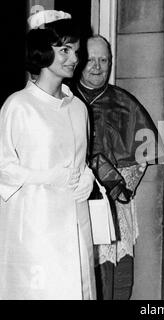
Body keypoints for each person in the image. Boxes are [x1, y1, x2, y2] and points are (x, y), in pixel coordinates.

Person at [0, 11, 96, 299]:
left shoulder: (78, 108)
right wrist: (46, 177)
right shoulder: (19, 106)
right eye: (64, 50)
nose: (74, 58)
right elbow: (3, 167)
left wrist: (88, 178)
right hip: (34, 229)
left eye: (76, 51)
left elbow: (82, 159)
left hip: (75, 225)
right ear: (43, 51)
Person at [72, 35, 163, 300]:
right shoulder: (65, 99)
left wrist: (114, 183)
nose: (97, 67)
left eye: (104, 60)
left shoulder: (125, 102)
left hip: (114, 203)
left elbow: (142, 159)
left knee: (117, 280)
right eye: (91, 60)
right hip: (72, 203)